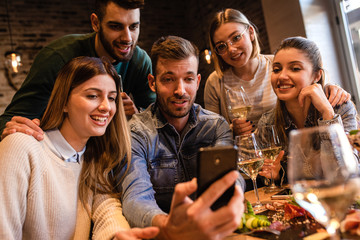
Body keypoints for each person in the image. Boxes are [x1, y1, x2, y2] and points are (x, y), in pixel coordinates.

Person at [0, 56, 158, 240]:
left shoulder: (92, 159)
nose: (106, 107)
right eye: (92, 96)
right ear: (64, 102)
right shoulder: (21, 146)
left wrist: (119, 236)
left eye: (112, 98)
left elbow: (108, 212)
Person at [120, 36, 245, 240]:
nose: (180, 91)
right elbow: (135, 197)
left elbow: (232, 178)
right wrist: (171, 227)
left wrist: (233, 192)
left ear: (197, 82)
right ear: (152, 83)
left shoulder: (216, 126)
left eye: (188, 79)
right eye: (168, 79)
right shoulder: (135, 132)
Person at [0, 0, 155, 141]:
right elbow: (9, 121)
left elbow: (155, 121)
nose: (128, 38)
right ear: (95, 23)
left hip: (107, 154)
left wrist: (136, 115)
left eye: (134, 26)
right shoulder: (57, 57)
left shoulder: (140, 61)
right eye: (115, 26)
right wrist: (16, 133)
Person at [204, 8, 351, 137]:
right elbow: (212, 133)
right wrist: (231, 130)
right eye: (221, 46)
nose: (231, 49)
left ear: (250, 33)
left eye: (236, 38)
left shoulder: (278, 65)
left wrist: (331, 88)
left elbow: (311, 77)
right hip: (248, 156)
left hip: (285, 143)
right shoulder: (215, 82)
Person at [257, 36, 358, 182]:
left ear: (316, 75)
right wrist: (277, 176)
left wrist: (327, 114)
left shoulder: (340, 108)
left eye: (295, 68)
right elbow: (269, 180)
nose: (282, 76)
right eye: (277, 69)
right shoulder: (267, 123)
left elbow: (346, 174)